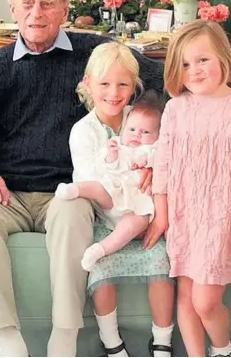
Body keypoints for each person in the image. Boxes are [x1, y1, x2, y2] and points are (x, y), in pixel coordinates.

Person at [0, 0, 165, 357]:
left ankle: (64, 336)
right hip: (7, 193)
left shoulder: (92, 54)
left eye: (48, 4)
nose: (37, 13)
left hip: (66, 191)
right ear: (14, 9)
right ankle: (7, 338)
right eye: (28, 4)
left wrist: (155, 152)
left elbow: (163, 81)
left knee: (72, 213)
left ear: (65, 8)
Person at [148, 20, 231, 357]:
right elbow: (162, 165)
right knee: (187, 297)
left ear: (222, 55)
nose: (195, 70)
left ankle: (222, 350)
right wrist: (162, 215)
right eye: (186, 64)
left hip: (223, 220)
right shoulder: (177, 108)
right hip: (185, 216)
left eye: (203, 60)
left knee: (206, 301)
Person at [65, 42, 175, 357]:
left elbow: (164, 152)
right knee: (100, 269)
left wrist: (155, 171)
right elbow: (95, 183)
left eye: (123, 84)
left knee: (162, 262)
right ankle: (112, 343)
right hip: (108, 216)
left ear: (134, 87)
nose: (114, 92)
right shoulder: (83, 132)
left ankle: (162, 341)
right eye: (104, 84)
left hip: (146, 212)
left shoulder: (140, 117)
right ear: (88, 85)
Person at [57, 88, 164, 272]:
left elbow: (164, 161)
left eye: (145, 132)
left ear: (157, 136)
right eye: (132, 129)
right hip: (113, 194)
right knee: (98, 187)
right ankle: (74, 190)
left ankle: (100, 250)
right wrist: (111, 156)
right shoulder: (118, 145)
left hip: (137, 204)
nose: (137, 135)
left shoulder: (154, 149)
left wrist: (150, 164)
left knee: (137, 222)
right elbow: (105, 168)